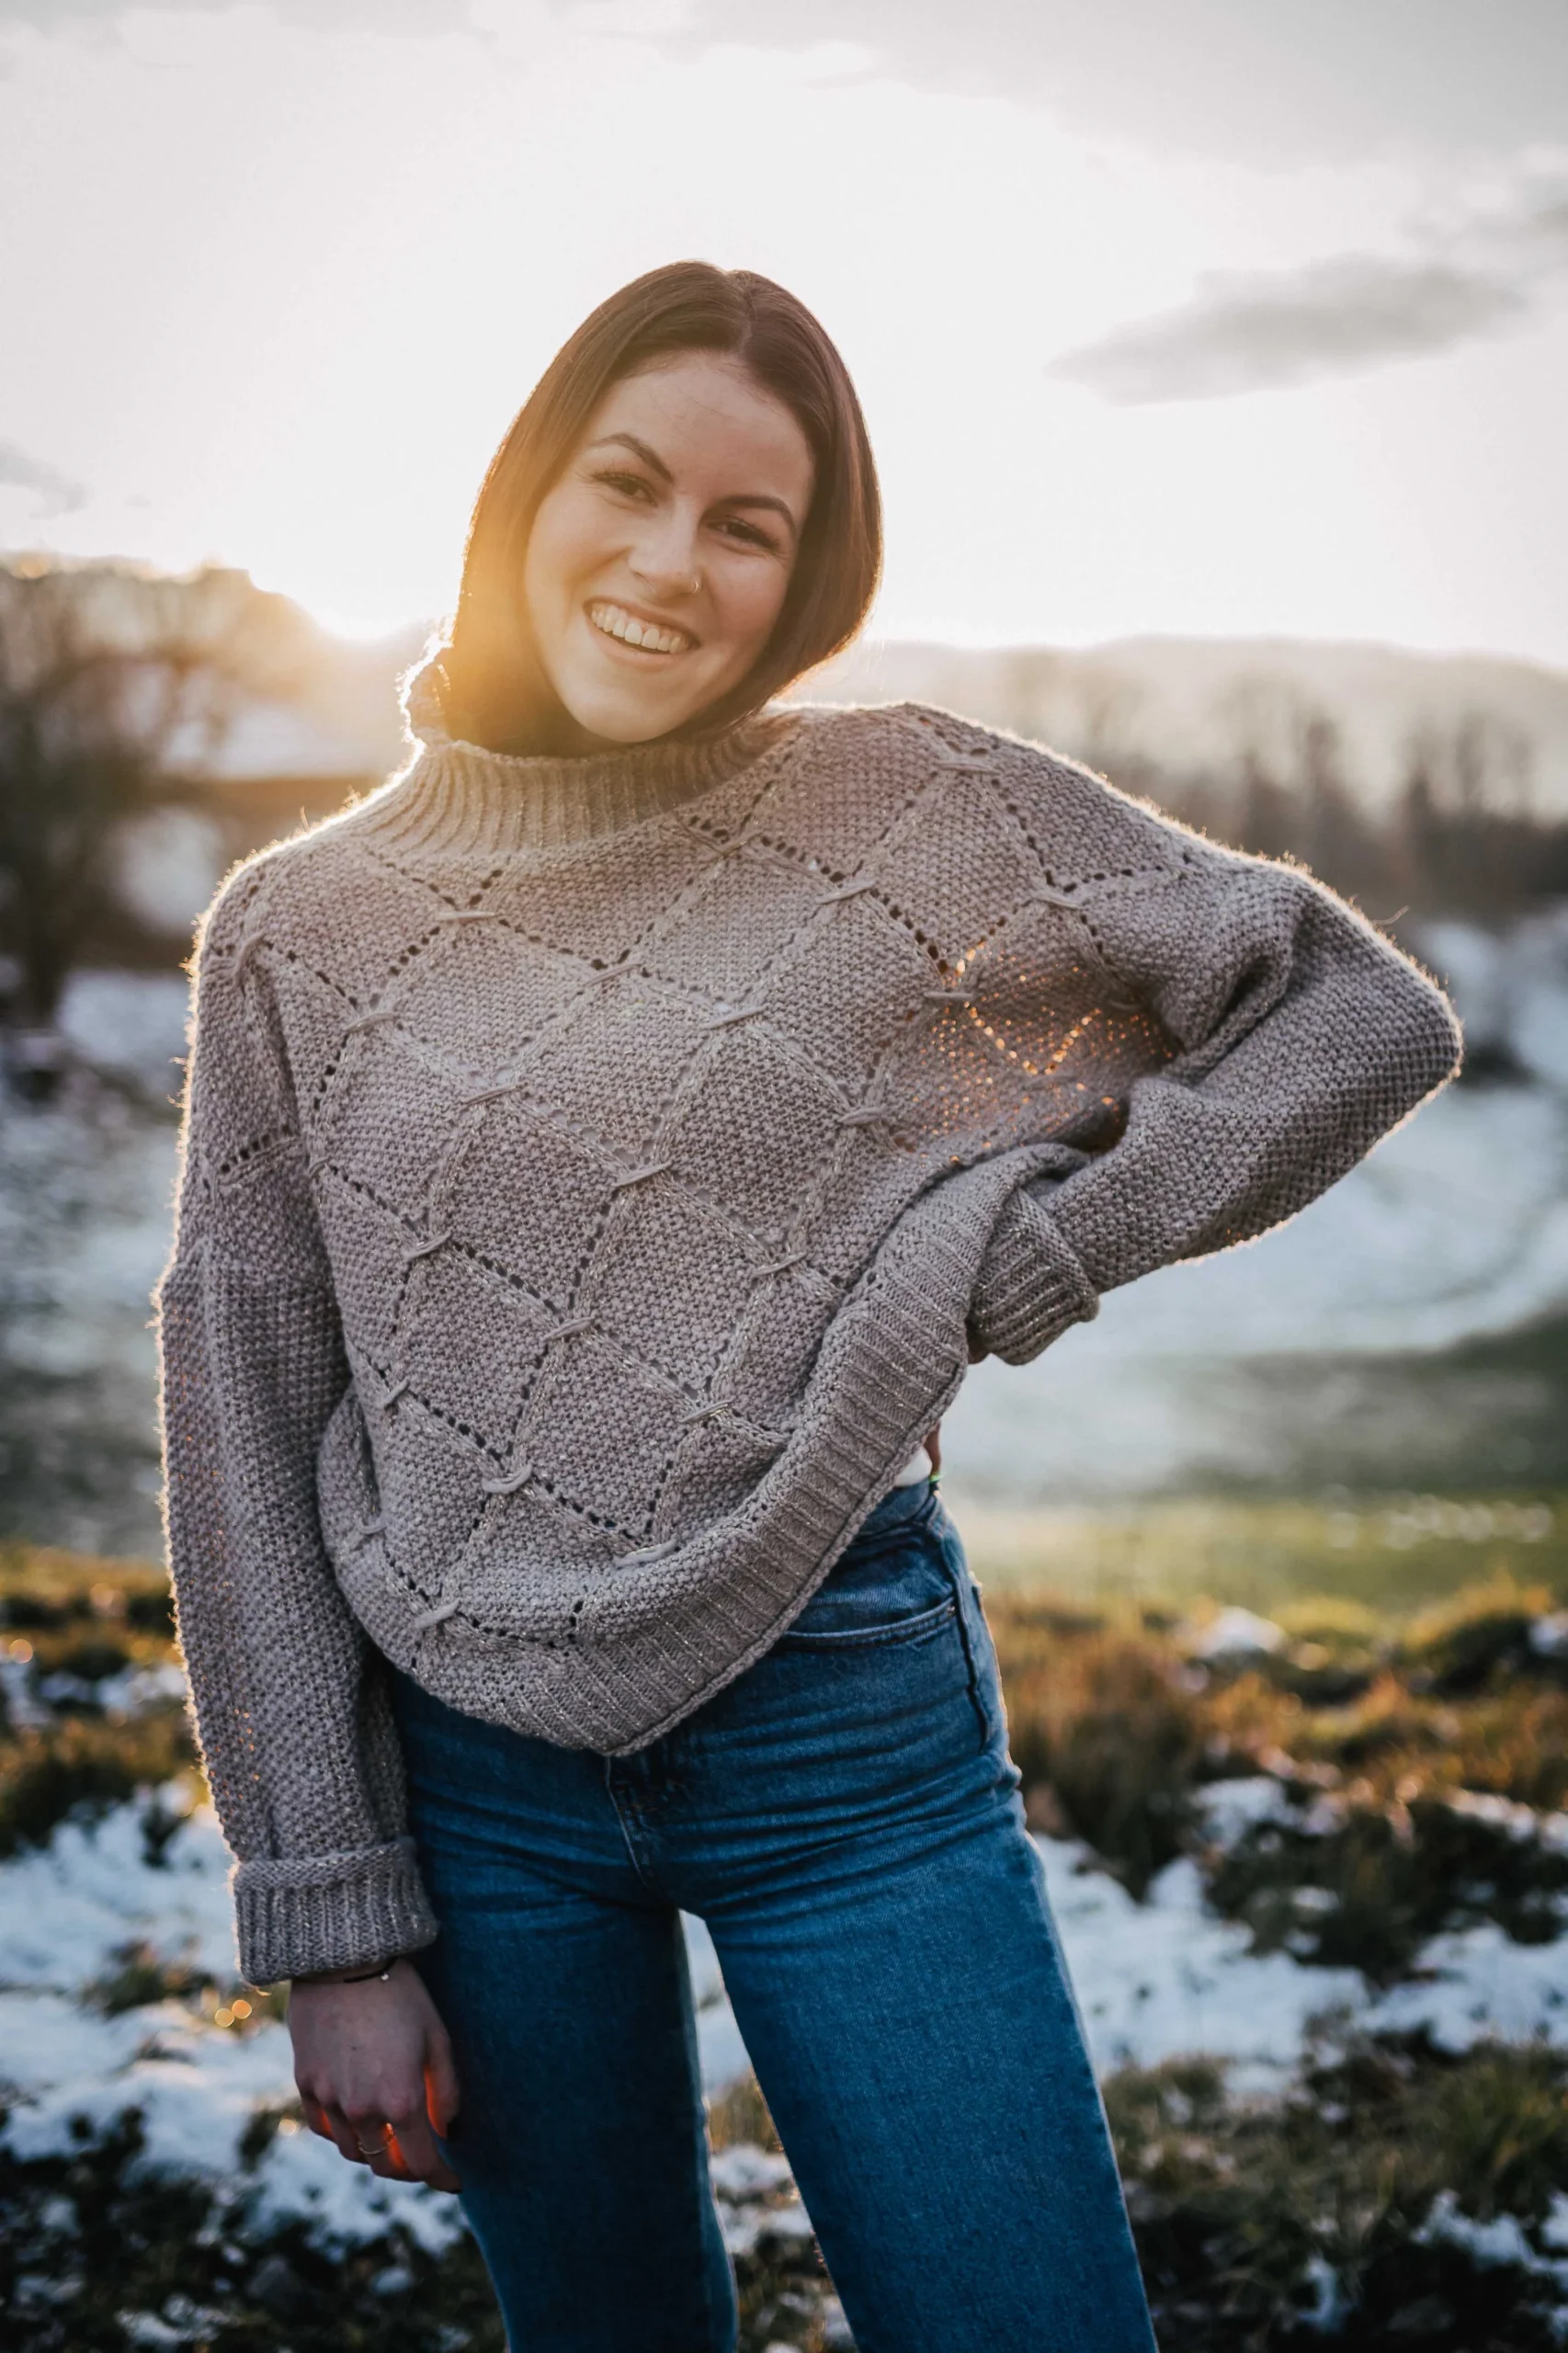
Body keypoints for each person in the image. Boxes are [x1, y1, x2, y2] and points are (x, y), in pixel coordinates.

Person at [157, 260, 1460, 2352]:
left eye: (745, 526)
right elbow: (239, 1416)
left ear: (802, 573)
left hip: (846, 1729)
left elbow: (1344, 1014)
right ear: (526, 491)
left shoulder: (904, 808)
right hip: (474, 1773)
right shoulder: (297, 933)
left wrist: (1021, 1252)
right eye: (630, 483)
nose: (670, 564)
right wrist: (330, 1910)